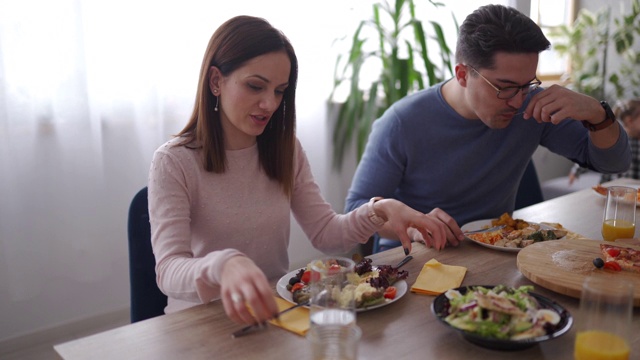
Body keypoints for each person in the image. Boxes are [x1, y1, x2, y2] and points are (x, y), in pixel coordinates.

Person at [147, 15, 456, 327]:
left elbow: (327, 234)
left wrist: (380, 210)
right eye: (256, 86)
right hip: (199, 324)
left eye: (280, 91)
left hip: (270, 317)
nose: (269, 103)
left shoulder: (285, 149)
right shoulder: (174, 162)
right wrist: (222, 265)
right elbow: (169, 270)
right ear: (216, 81)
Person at [344, 4, 631, 250]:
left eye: (527, 84)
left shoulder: (531, 108)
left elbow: (613, 162)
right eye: (505, 88)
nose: (518, 101)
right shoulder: (401, 123)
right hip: (414, 260)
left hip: (494, 252)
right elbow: (354, 210)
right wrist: (416, 227)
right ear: (463, 74)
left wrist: (597, 114)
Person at [569, 98, 640, 184]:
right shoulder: (615, 140)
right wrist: (576, 171)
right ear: (630, 121)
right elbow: (592, 154)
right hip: (611, 187)